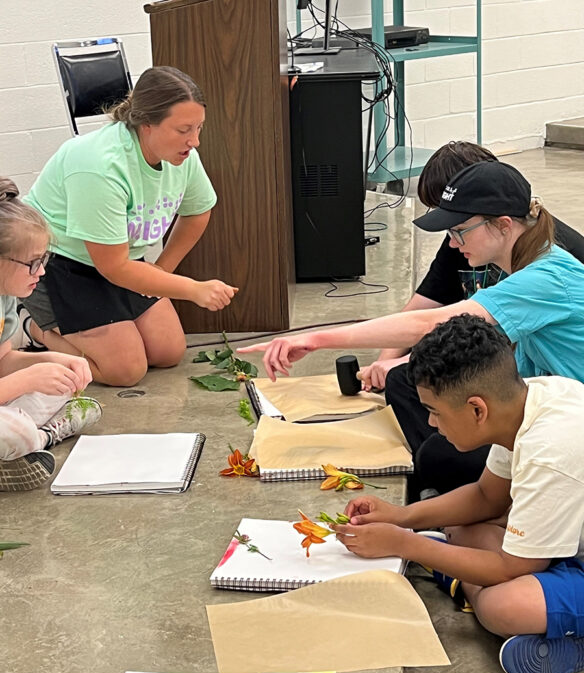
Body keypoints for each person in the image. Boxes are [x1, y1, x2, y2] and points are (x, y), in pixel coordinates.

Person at [238, 160, 584, 497]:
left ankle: (474, 500)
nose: (452, 243)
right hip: (545, 403)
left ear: (504, 224)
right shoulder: (526, 262)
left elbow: (428, 323)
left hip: (566, 423)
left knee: (439, 455)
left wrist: (317, 339)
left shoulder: (548, 276)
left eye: (458, 231)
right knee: (410, 383)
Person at [333, 314, 584, 673]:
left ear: (477, 409)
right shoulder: (523, 404)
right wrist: (402, 517)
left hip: (558, 556)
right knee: (463, 530)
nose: (432, 423)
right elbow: (486, 497)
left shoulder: (550, 448)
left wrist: (406, 544)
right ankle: (509, 596)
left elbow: (507, 569)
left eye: (434, 411)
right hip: (569, 549)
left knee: (503, 606)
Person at [21, 66, 238, 387]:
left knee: (168, 352)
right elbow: (113, 267)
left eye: (199, 128)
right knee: (125, 371)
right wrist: (192, 289)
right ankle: (38, 327)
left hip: (116, 257)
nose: (195, 141)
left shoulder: (182, 154)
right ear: (146, 124)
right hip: (58, 262)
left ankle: (87, 331)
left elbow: (198, 211)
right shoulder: (99, 164)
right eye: (184, 130)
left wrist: (162, 273)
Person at [360, 141, 584, 392]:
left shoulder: (550, 260)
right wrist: (383, 363)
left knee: (416, 375)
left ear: (499, 221)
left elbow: (492, 342)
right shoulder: (468, 239)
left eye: (456, 219)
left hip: (550, 380)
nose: (452, 238)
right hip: (529, 369)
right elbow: (425, 303)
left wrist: (405, 363)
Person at [0, 178, 101, 491]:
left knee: (59, 384)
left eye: (43, 260)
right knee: (17, 430)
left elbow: (3, 360)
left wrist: (57, 360)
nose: (41, 272)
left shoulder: (5, 295)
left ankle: (22, 447)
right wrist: (27, 380)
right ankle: (43, 437)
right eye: (32, 263)